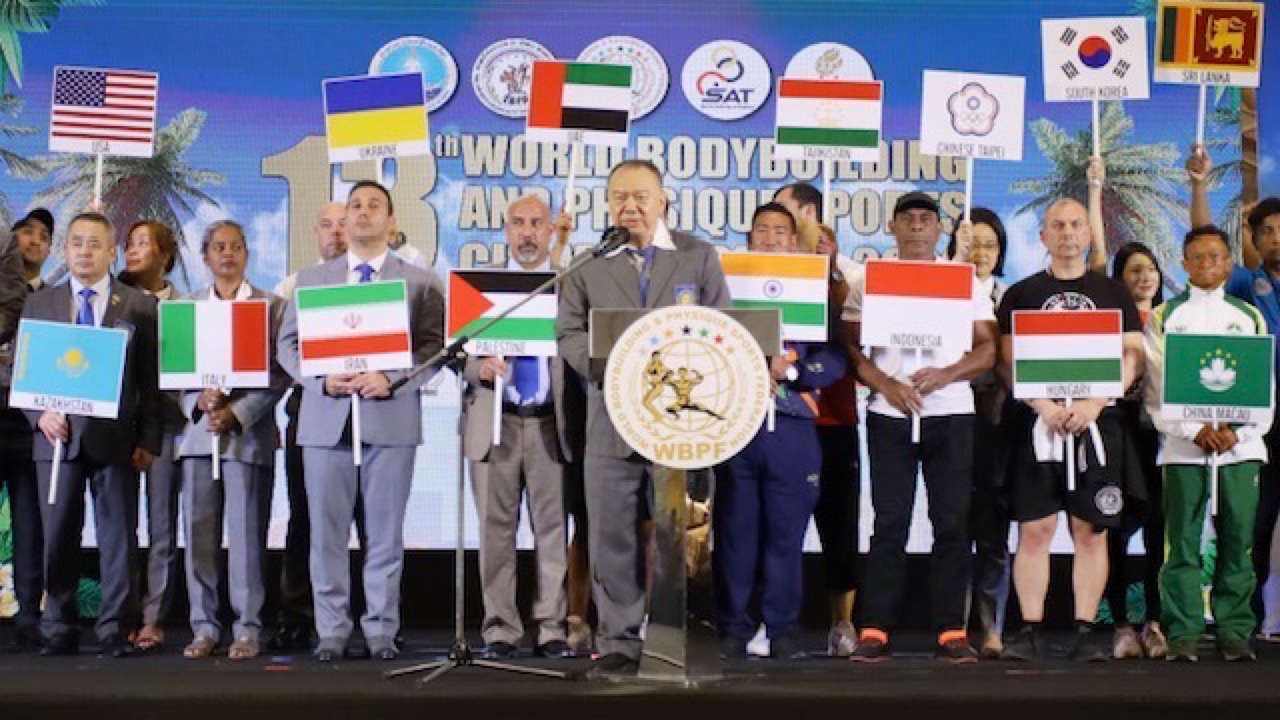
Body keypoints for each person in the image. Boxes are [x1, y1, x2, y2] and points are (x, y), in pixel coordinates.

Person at [556, 159, 731, 677]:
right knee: (611, 534)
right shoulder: (588, 263)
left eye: (640, 197)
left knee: (679, 535)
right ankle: (618, 639)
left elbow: (723, 326)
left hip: (679, 423)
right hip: (609, 419)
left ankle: (674, 638)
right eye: (619, 198)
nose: (629, 207)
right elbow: (567, 334)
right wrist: (611, 366)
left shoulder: (697, 256)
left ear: (662, 201)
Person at [277, 181, 444, 662]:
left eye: (374, 206)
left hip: (390, 422)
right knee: (325, 536)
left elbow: (434, 348)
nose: (363, 213)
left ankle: (381, 630)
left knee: (385, 536)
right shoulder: (312, 280)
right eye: (355, 206)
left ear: (392, 221)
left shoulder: (420, 282)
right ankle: (331, 630)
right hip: (325, 422)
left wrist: (391, 379)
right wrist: (320, 379)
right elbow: (287, 345)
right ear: (344, 219)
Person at [842, 192, 996, 663]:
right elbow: (850, 346)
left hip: (950, 412)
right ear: (892, 227)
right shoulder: (871, 279)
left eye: (925, 219)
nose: (915, 226)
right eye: (906, 218)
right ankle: (875, 629)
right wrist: (885, 384)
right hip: (890, 414)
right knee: (889, 522)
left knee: (951, 522)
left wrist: (948, 373)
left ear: (938, 229)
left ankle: (951, 630)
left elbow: (988, 349)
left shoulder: (962, 281)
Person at [997, 198, 1144, 662]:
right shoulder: (1021, 294)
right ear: (1043, 235)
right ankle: (1029, 631)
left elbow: (1132, 356)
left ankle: (1085, 632)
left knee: (1091, 530)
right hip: (1037, 424)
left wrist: (1095, 402)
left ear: (1088, 234)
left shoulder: (1113, 293)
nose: (1067, 233)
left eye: (1076, 225)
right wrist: (1043, 406)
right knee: (1035, 529)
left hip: (1098, 423)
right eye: (1057, 225)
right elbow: (1007, 362)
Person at [23, 212, 161, 657]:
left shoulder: (137, 305)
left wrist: (149, 440)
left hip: (116, 439)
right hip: (55, 440)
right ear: (65, 251)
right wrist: (39, 414)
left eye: (95, 244)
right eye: (77, 242)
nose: (85, 251)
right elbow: (24, 372)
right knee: (58, 533)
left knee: (118, 536)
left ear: (112, 252)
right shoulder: (40, 304)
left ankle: (115, 626)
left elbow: (150, 381)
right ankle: (58, 625)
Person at [714, 203, 846, 660]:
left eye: (779, 231)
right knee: (736, 531)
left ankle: (781, 626)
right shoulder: (725, 287)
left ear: (793, 241)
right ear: (749, 238)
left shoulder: (813, 288)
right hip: (737, 423)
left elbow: (836, 358)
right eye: (762, 230)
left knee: (787, 533)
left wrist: (791, 371)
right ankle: (733, 625)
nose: (770, 239)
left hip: (793, 426)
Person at [1144, 225, 1270, 662]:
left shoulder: (1248, 316)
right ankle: (1183, 632)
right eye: (1197, 257)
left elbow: (1262, 386)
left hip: (1240, 450)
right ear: (1184, 263)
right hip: (1183, 450)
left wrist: (1239, 431)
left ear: (1229, 263)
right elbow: (1156, 387)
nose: (1206, 264)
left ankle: (1234, 631)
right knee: (1181, 541)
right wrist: (1192, 430)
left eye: (1215, 256)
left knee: (1238, 539)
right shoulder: (1165, 316)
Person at [461, 195, 573, 659]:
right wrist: (479, 368)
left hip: (549, 424)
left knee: (552, 530)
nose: (527, 232)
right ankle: (500, 629)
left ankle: (552, 627)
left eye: (536, 223)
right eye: (518, 223)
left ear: (551, 230)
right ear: (505, 230)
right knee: (495, 533)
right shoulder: (481, 287)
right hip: (496, 422)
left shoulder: (567, 284)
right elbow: (458, 354)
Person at [178, 221, 289, 660]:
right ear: (205, 257)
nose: (228, 253)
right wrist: (197, 400)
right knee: (199, 538)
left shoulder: (272, 308)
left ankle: (247, 628)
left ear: (247, 254)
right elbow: (171, 376)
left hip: (248, 439)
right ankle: (204, 627)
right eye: (219, 247)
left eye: (236, 246)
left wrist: (237, 412)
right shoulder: (187, 309)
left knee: (247, 541)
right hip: (197, 439)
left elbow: (280, 372)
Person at [1190, 147, 1280, 644]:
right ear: (1254, 239)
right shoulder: (1247, 283)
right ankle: (1242, 623)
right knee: (1253, 525)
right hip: (1260, 420)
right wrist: (1201, 184)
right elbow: (1206, 241)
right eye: (1266, 230)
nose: (1276, 237)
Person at [775, 184, 862, 657]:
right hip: (780, 420)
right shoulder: (766, 270)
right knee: (778, 525)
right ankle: (772, 621)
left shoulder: (849, 272)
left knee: (839, 525)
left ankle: (842, 621)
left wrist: (830, 272)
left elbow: (849, 338)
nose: (779, 225)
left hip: (834, 419)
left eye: (787, 213)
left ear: (809, 214)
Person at [269, 201, 347, 653]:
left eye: (343, 225)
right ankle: (296, 615)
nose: (336, 233)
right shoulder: (295, 285)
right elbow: (284, 355)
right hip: (312, 410)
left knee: (364, 521)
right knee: (304, 518)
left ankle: (369, 619)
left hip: (369, 409)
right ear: (315, 233)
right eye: (327, 225)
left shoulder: (381, 283)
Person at [949, 208, 1014, 658]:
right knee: (953, 523)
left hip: (1000, 417)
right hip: (949, 413)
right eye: (973, 244)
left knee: (993, 526)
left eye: (990, 245)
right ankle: (953, 625)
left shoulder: (1012, 297)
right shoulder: (941, 291)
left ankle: (992, 627)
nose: (981, 254)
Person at [119, 220, 185, 652]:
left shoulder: (185, 306)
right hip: (120, 428)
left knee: (162, 525)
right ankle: (121, 614)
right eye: (129, 243)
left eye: (143, 243)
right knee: (119, 527)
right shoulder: (113, 300)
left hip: (168, 426)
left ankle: (153, 617)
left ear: (165, 254)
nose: (132, 250)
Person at [1106, 242, 1168, 659]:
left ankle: (1155, 622)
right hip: (1120, 431)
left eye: (1151, 269)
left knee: (1158, 528)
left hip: (1163, 437)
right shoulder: (1109, 323)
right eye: (1134, 270)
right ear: (1119, 279)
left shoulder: (1172, 321)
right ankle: (1121, 625)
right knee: (1114, 528)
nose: (1145, 277)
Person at [0, 210, 39, 649]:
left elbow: (12, 302)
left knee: (29, 517)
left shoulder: (2, 238)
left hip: (20, 410)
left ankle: (29, 615)